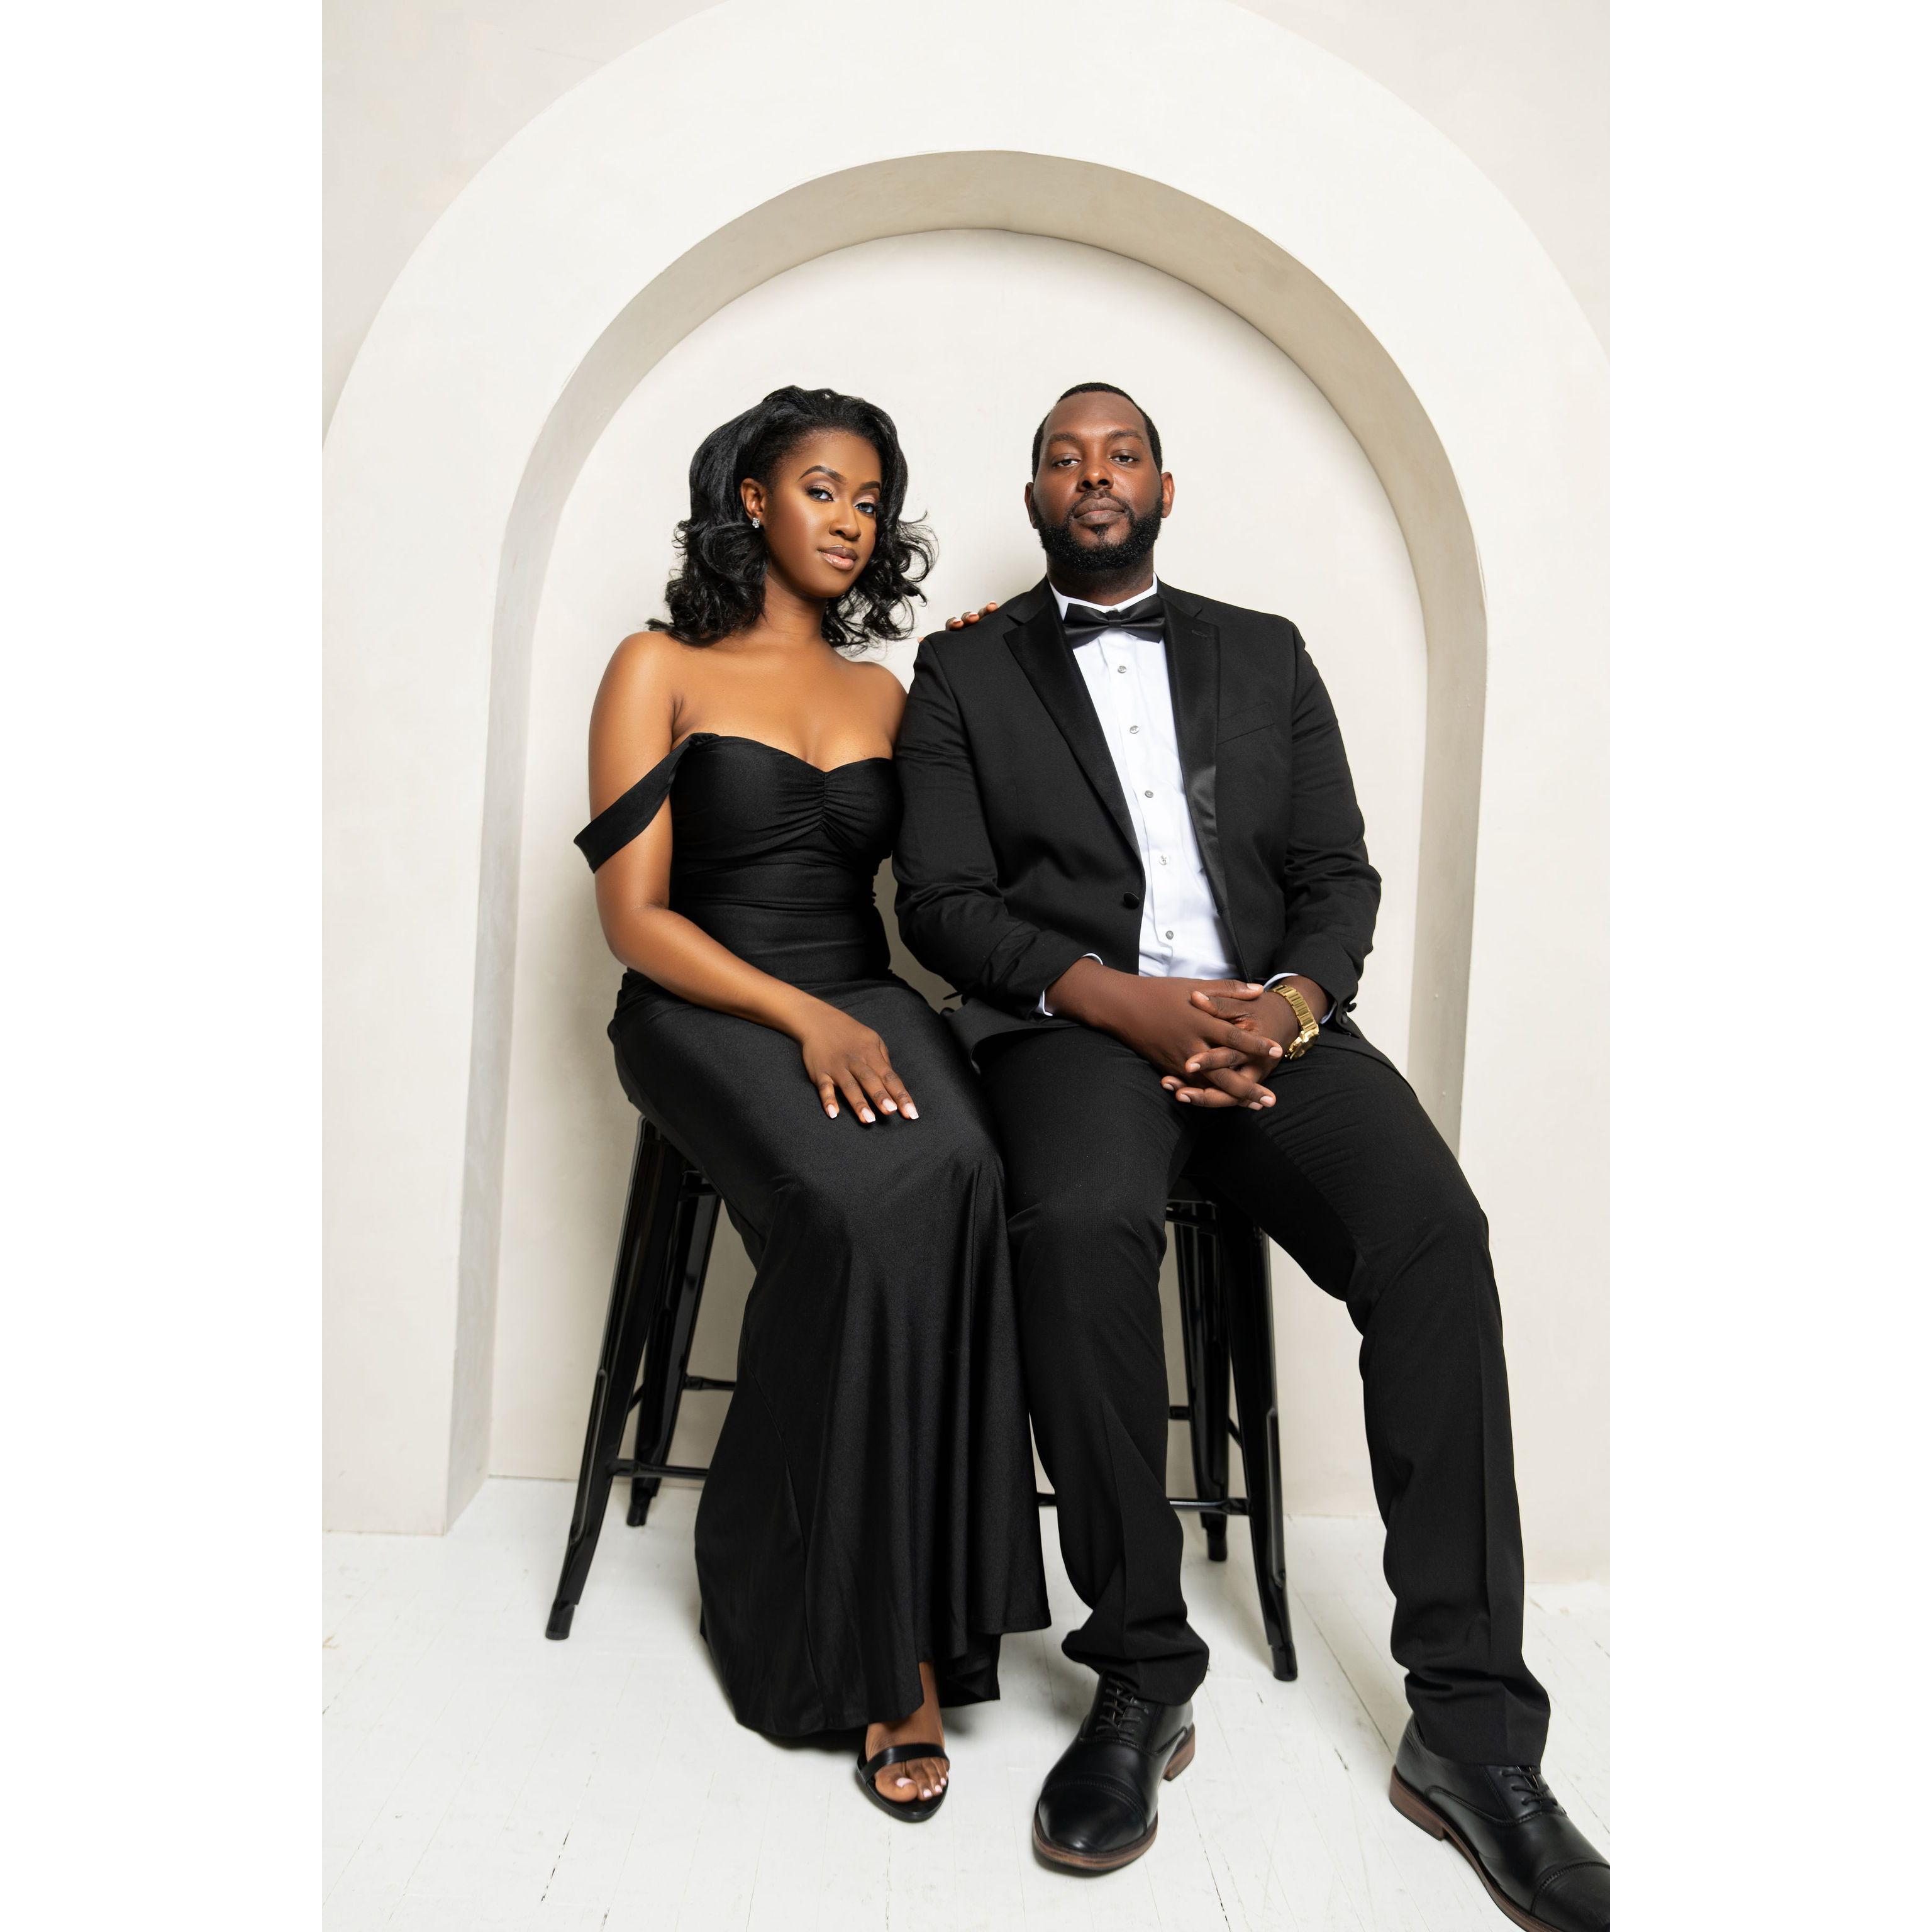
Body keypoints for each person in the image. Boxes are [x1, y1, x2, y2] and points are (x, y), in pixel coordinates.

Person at [892, 382, 1609, 1928]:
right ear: (1032, 497)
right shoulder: (961, 672)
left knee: (1433, 1234)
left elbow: (1337, 874)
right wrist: (1123, 1004)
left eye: (1122, 454)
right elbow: (939, 902)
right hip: (1078, 1032)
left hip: (1272, 1030)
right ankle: (1143, 1671)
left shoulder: (1267, 654)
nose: (1094, 474)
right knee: (1076, 1232)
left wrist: (1284, 1008)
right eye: (1064, 457)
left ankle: (1473, 1732)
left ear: (1166, 488)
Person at [575, 385, 1048, 1821]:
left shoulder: (885, 693)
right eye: (823, 489)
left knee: (968, 1174)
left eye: (870, 499)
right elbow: (633, 920)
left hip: (862, 988)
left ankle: (929, 1606)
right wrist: (803, 1019)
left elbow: (964, 856)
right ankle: (843, 1636)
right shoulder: (655, 665)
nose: (850, 520)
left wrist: (989, 667)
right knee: (851, 1211)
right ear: (752, 501)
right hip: (704, 1003)